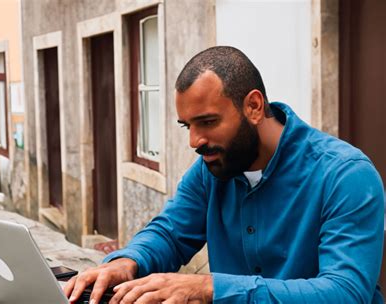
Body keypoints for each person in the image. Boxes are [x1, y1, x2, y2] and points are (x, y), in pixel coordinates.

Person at [64, 46, 384, 303]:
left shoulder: (345, 175)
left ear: (254, 106)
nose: (194, 141)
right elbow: (170, 233)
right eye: (187, 126)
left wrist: (210, 289)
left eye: (207, 122)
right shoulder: (211, 168)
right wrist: (128, 261)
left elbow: (345, 292)